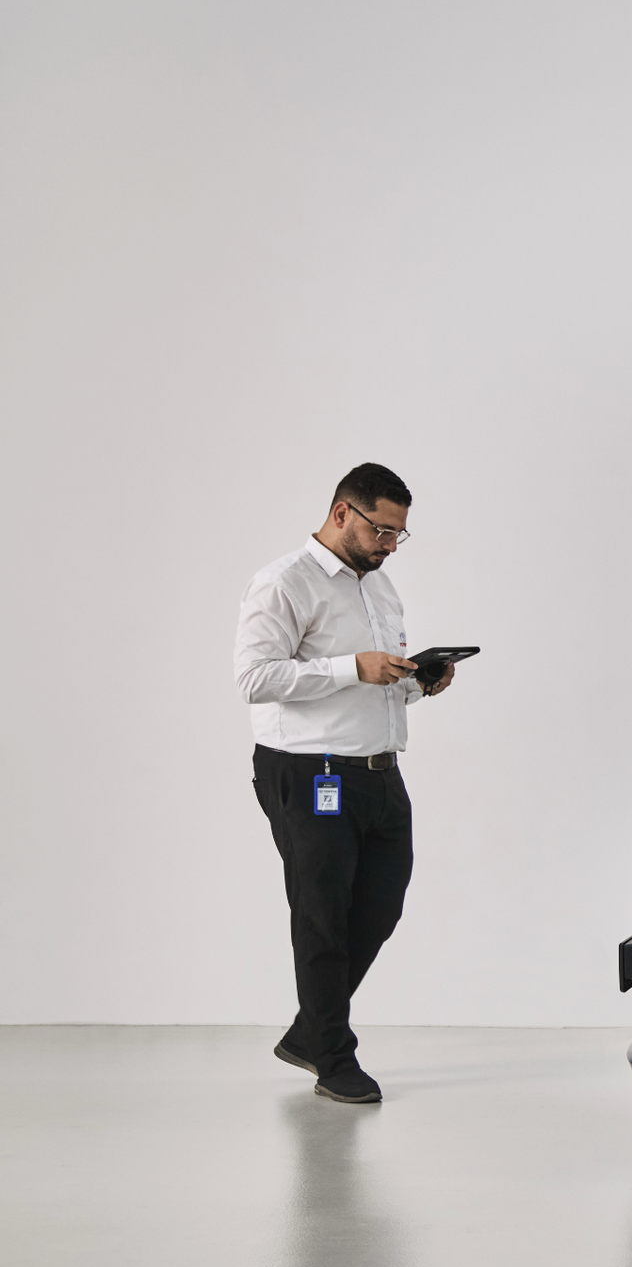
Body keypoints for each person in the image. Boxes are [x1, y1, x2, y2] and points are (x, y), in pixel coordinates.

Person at [234, 463, 457, 1103]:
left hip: (379, 772)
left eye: (399, 535)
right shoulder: (283, 583)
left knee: (380, 907)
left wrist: (420, 682)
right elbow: (254, 678)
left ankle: (309, 1030)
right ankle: (332, 1055)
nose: (390, 545)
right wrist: (347, 667)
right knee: (323, 917)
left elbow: (375, 688)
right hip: (310, 774)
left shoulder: (381, 591)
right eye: (382, 531)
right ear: (342, 514)